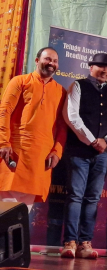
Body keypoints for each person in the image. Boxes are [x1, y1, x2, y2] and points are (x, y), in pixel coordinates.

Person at [61, 53, 107, 259]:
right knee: (75, 196)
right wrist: (92, 140)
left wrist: (106, 140)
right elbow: (71, 116)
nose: (105, 70)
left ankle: (85, 243)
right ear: (91, 67)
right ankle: (69, 242)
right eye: (101, 66)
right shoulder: (78, 86)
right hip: (78, 151)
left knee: (93, 198)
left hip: (101, 154)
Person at [0, 47, 66, 212]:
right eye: (47, 59)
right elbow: (4, 111)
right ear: (37, 61)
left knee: (21, 217)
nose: (51, 63)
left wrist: (57, 151)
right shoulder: (20, 81)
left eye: (55, 61)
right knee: (4, 215)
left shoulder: (61, 91)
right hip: (15, 154)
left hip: (40, 161)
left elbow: (62, 126)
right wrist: (3, 143)